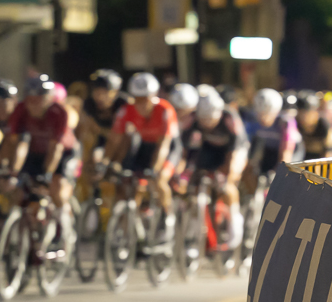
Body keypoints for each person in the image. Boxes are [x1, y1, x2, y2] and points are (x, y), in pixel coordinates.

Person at [103, 72, 179, 237]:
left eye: (146, 99)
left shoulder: (165, 109)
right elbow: (114, 139)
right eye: (137, 99)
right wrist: (105, 161)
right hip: (145, 145)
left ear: (154, 96)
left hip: (167, 146)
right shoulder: (126, 110)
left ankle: (168, 218)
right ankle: (133, 229)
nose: (142, 104)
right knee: (132, 183)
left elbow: (164, 145)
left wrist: (154, 169)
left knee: (159, 179)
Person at [181, 88, 249, 249]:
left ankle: (235, 221)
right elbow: (184, 150)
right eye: (203, 120)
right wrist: (184, 174)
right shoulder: (192, 118)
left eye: (211, 119)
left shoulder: (230, 117)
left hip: (232, 150)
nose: (207, 123)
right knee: (193, 181)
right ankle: (194, 225)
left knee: (227, 183)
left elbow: (236, 150)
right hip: (208, 149)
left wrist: (229, 175)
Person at [2, 74, 78, 214]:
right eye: (30, 100)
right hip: (36, 152)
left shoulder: (59, 113)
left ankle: (65, 223)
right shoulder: (21, 109)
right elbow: (14, 142)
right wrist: (10, 168)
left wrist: (47, 175)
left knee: (56, 189)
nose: (33, 105)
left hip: (63, 153)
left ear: (48, 99)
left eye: (38, 101)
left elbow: (56, 148)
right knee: (19, 192)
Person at [77, 69, 127, 177]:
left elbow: (123, 134)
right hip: (102, 140)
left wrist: (107, 160)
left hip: (125, 144)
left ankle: (116, 165)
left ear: (115, 92)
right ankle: (92, 186)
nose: (99, 97)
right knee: (93, 157)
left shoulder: (124, 104)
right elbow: (88, 130)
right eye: (96, 92)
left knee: (127, 135)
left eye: (104, 92)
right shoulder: (89, 105)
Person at [246, 88, 299, 179]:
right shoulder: (253, 120)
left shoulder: (285, 122)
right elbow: (249, 145)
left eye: (267, 115)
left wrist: (280, 175)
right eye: (260, 114)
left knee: (286, 175)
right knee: (251, 172)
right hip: (269, 148)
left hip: (292, 149)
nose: (263, 119)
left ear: (276, 112)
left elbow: (286, 151)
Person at [297, 91, 332, 160]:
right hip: (300, 162)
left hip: (319, 163)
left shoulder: (323, 125)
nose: (302, 117)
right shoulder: (296, 124)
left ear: (315, 112)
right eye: (300, 113)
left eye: (306, 113)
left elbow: (328, 153)